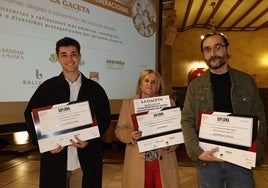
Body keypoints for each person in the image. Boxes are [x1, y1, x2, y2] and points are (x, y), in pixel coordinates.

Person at [181, 32, 267, 188]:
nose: (212, 54)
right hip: (208, 160)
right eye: (207, 50)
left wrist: (254, 149)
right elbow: (187, 121)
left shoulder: (246, 81)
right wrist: (198, 152)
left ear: (227, 49)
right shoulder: (195, 86)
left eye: (217, 47)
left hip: (240, 161)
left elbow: (259, 118)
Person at [24, 37, 111, 188]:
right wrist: (44, 144)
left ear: (80, 56)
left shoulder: (95, 89)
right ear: (57, 58)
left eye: (73, 54)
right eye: (64, 54)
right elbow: (30, 117)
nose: (69, 59)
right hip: (55, 161)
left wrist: (89, 140)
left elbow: (104, 119)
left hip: (85, 163)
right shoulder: (47, 88)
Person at [115, 69, 180, 188]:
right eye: (146, 80)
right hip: (138, 162)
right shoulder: (128, 104)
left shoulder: (169, 103)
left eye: (154, 81)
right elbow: (119, 130)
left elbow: (178, 133)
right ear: (140, 84)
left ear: (158, 85)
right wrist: (131, 135)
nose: (150, 84)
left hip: (163, 161)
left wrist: (169, 145)